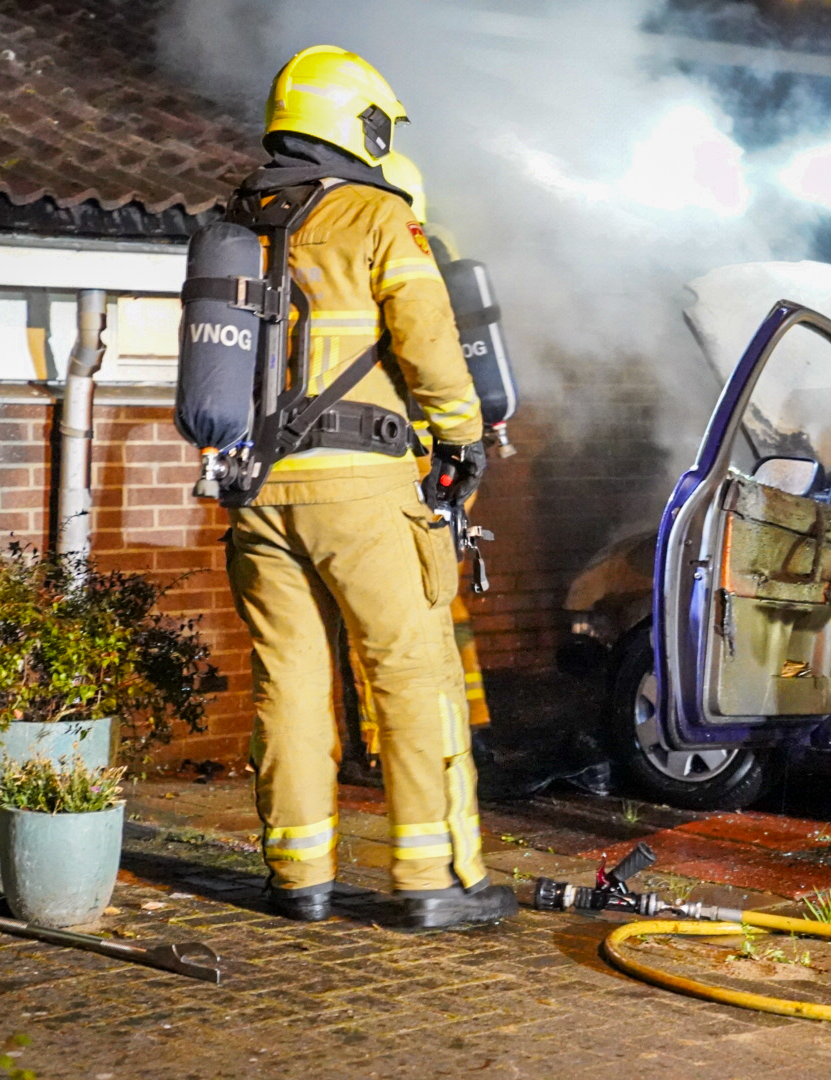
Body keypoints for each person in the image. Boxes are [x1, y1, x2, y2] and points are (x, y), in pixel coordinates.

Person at [222, 45, 515, 928]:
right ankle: (433, 879)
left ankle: (297, 876)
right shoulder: (377, 215)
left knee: (289, 685)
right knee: (412, 676)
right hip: (361, 491)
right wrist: (462, 435)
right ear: (359, 122)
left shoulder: (243, 220)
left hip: (257, 492)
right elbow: (428, 343)